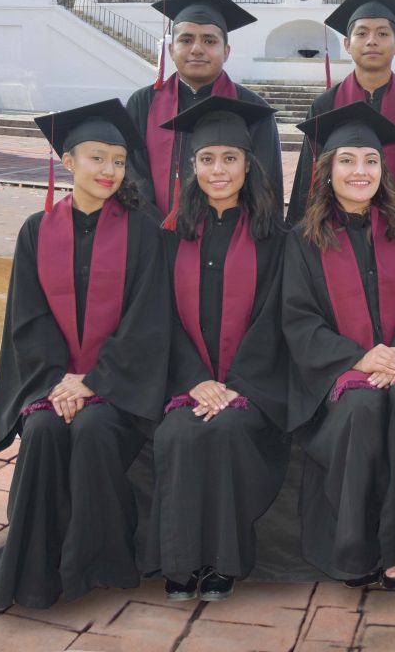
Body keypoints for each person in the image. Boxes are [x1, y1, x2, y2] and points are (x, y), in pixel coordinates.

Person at [0, 99, 172, 611]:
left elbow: (147, 321)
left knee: (93, 428)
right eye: (96, 158)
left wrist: (93, 381)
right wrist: (57, 382)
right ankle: (35, 570)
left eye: (118, 161)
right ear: (67, 161)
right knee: (42, 429)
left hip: (120, 385)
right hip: (53, 382)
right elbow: (28, 320)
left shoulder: (144, 230)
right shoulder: (36, 231)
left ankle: (98, 566)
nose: (109, 170)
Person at [280, 101, 395, 589]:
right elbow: (298, 319)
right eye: (348, 160)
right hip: (340, 371)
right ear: (327, 169)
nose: (360, 171)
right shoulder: (303, 239)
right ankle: (355, 549)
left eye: (371, 161)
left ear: (384, 169)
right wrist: (359, 357)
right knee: (361, 405)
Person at [147, 96, 290, 602]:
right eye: (207, 159)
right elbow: (158, 318)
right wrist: (195, 380)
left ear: (249, 165)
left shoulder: (276, 237)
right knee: (179, 433)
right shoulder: (171, 234)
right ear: (193, 167)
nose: (219, 169)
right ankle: (181, 563)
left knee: (228, 429)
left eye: (230, 158)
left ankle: (223, 562)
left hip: (253, 387)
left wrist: (234, 387)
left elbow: (276, 322)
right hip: (186, 383)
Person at [126, 0, 282, 210]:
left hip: (232, 231)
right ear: (171, 50)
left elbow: (266, 187)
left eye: (209, 41)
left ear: (226, 52)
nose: (197, 49)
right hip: (155, 229)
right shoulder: (142, 104)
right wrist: (154, 227)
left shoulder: (254, 109)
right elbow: (134, 176)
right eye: (186, 40)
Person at [289, 0, 395, 220]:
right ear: (347, 44)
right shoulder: (324, 106)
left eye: (383, 34)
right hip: (334, 226)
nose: (372, 41)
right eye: (362, 33)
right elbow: (309, 177)